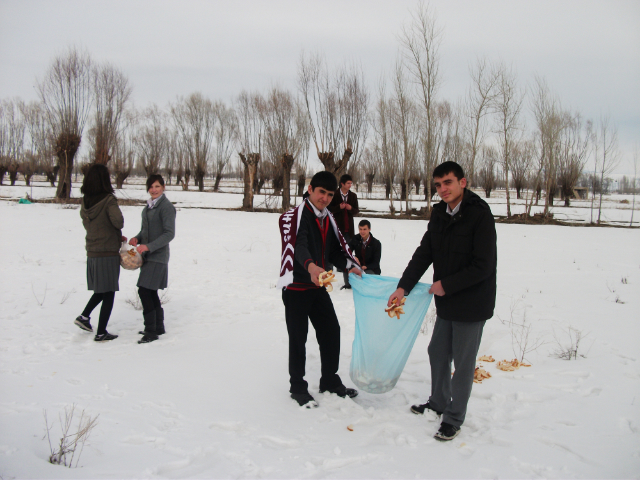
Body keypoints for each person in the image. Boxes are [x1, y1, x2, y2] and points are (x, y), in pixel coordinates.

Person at [387, 161, 497, 442]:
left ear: (463, 182)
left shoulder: (479, 214)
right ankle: (437, 401)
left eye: (447, 182)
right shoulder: (439, 214)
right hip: (447, 302)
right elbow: (425, 253)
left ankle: (454, 417)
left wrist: (446, 285)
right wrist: (403, 288)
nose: (442, 189)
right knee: (437, 351)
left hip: (472, 303)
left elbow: (483, 265)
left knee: (462, 363)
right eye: (437, 185)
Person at [278, 171, 362, 408]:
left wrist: (349, 265)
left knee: (331, 330)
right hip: (296, 287)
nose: (324, 198)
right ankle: (297, 387)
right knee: (298, 337)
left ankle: (329, 381)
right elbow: (298, 244)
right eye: (321, 192)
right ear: (310, 189)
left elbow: (335, 251)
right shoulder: (296, 216)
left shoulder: (329, 218)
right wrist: (312, 267)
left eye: (329, 194)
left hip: (318, 286)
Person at [75, 164, 125, 342]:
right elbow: (118, 221)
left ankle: (84, 317)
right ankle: (101, 332)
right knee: (109, 291)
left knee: (101, 289)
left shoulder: (85, 200)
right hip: (107, 252)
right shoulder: (108, 199)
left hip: (93, 251)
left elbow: (93, 225)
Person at [129, 174, 176, 344]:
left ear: (163, 187)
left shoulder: (166, 207)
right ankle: (158, 326)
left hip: (159, 256)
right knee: (150, 291)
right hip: (148, 256)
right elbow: (145, 232)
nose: (153, 190)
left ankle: (150, 331)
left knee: (143, 290)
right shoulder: (147, 208)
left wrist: (148, 246)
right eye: (151, 187)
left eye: (157, 186)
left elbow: (169, 234)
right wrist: (137, 239)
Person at [328, 174, 359, 289]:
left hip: (348, 229)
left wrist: (351, 209)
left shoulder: (353, 196)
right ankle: (329, 270)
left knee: (348, 250)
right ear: (342, 184)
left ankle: (345, 267)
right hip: (336, 228)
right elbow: (328, 209)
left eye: (351, 183)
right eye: (348, 183)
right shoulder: (334, 194)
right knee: (333, 248)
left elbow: (356, 211)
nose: (350, 185)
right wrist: (338, 208)